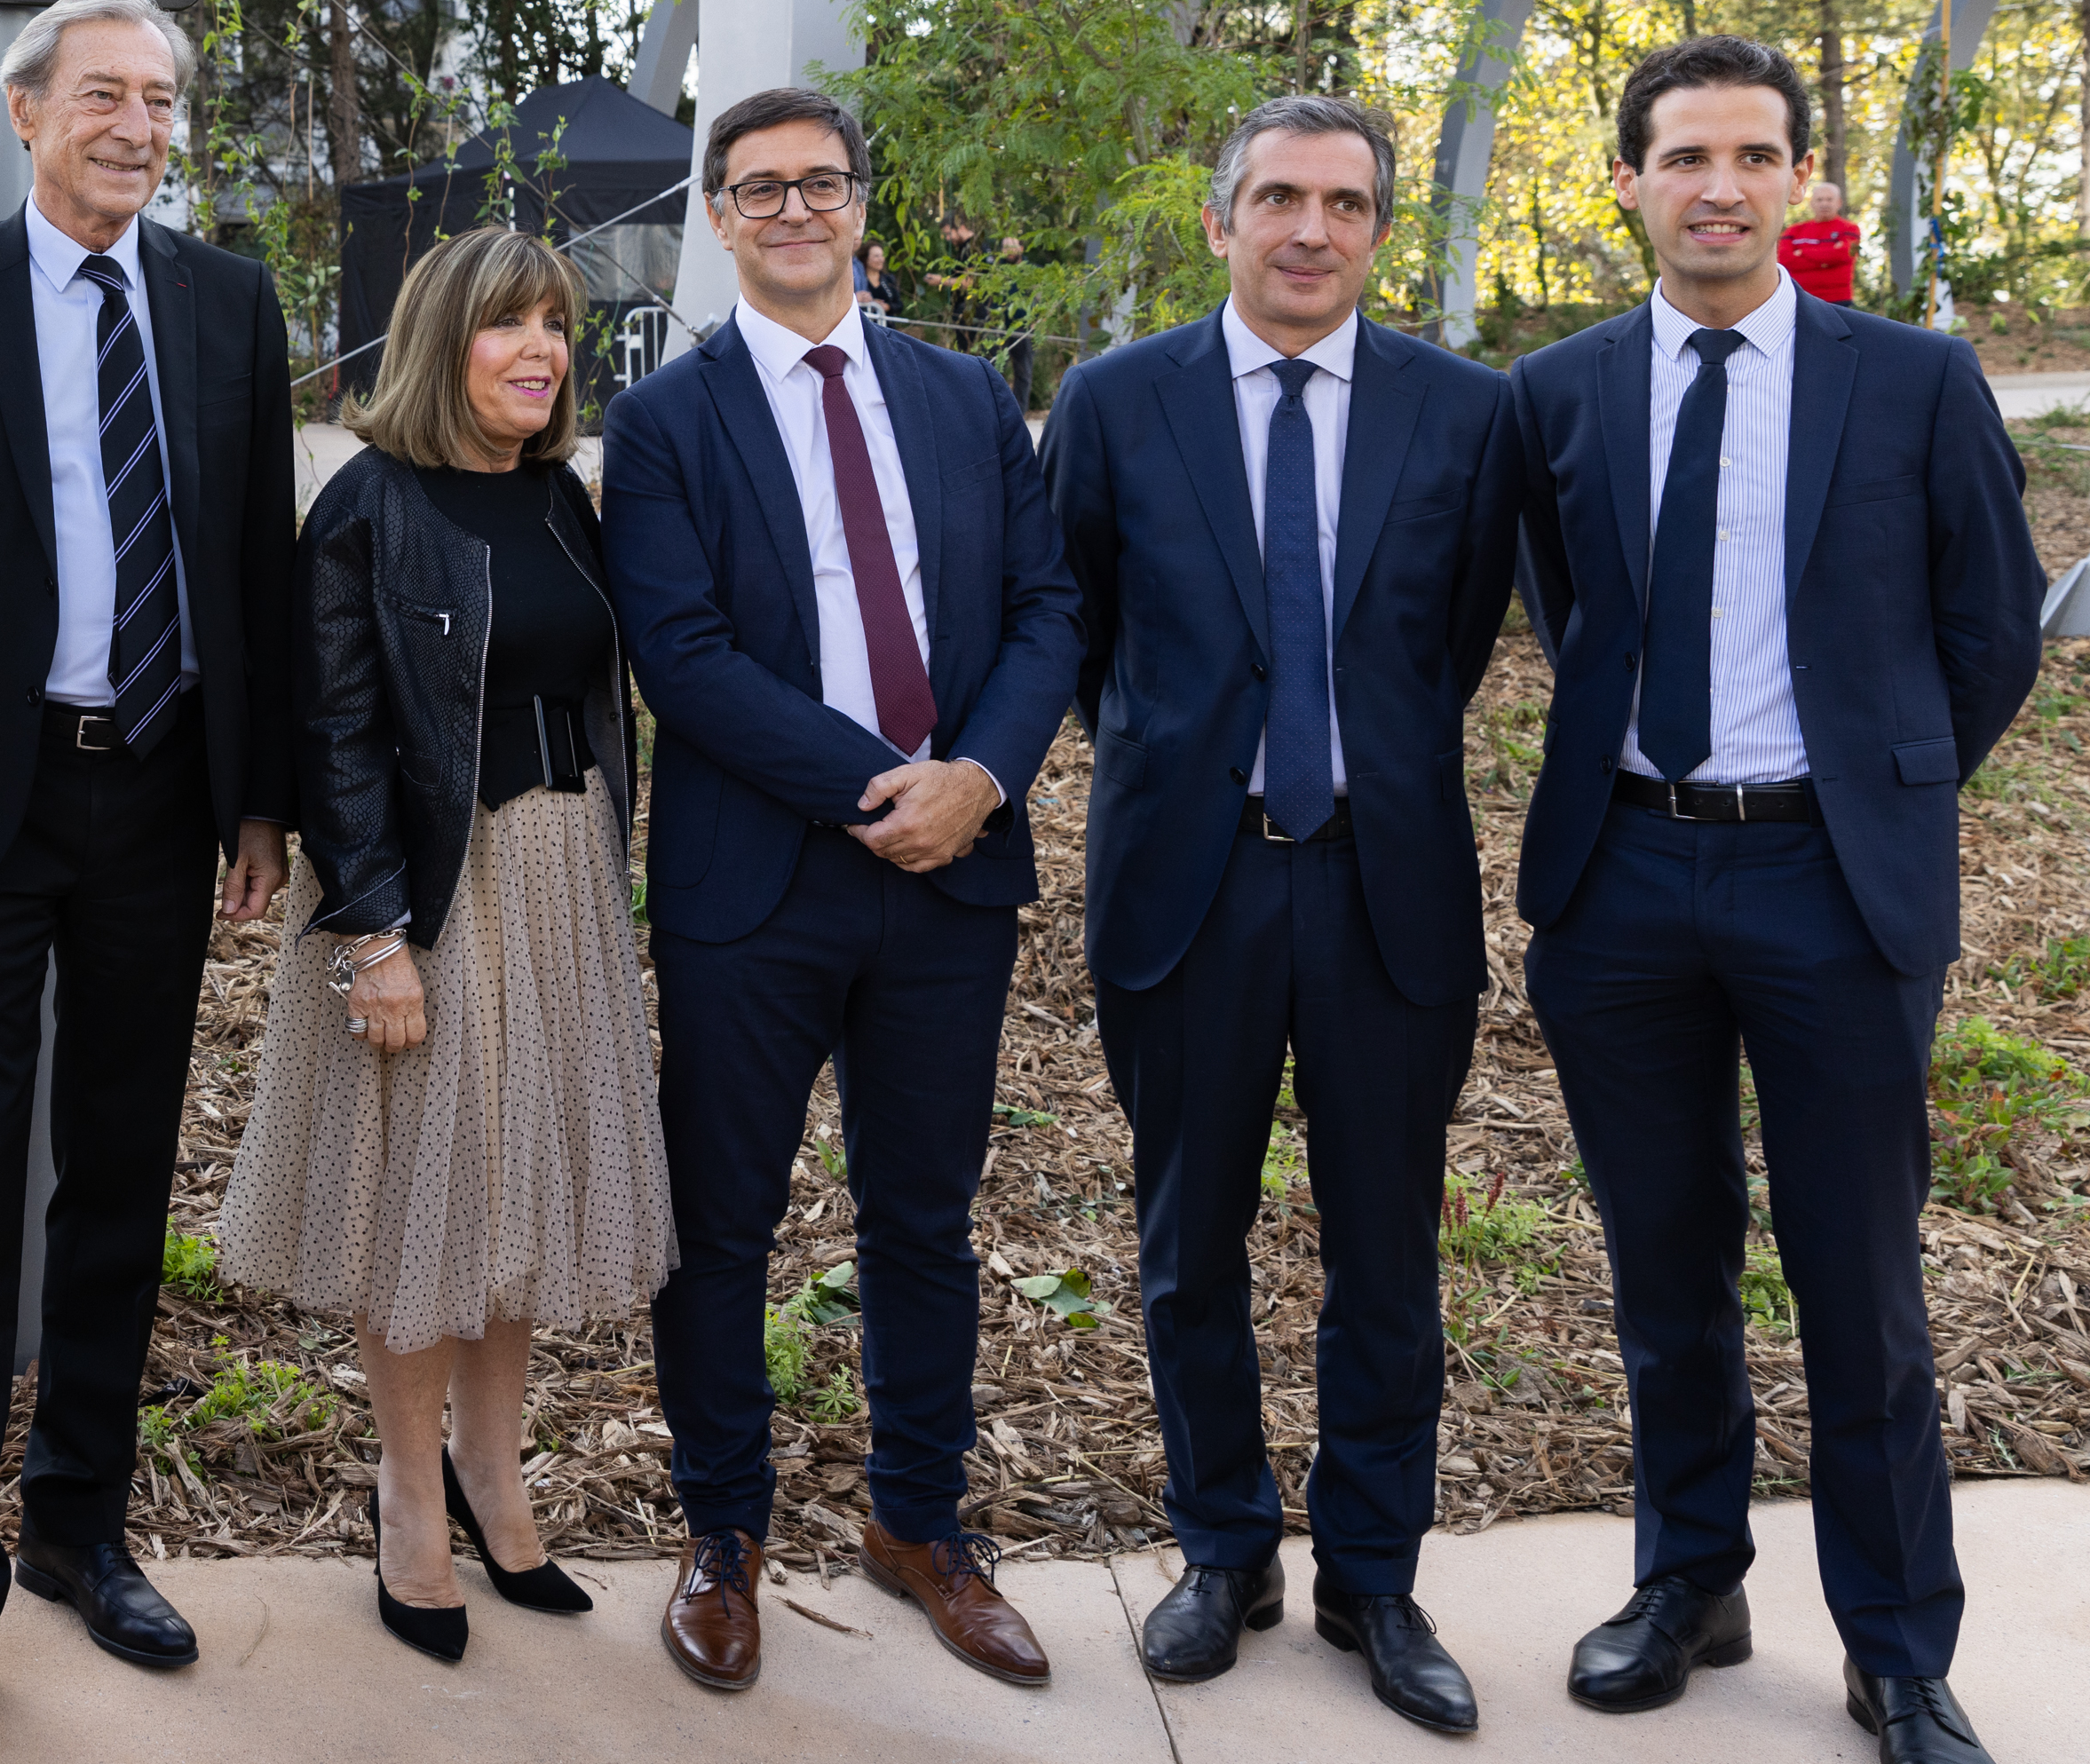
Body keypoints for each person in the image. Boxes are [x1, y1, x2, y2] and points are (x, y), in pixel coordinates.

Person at [1510, 37, 2039, 1764]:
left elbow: (1990, 624)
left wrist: (1882, 786)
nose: (1718, 186)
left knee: (1858, 1283)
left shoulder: (1911, 382)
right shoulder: (1563, 390)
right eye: (1683, 157)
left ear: (1798, 178)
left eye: (1752, 155)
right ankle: (1690, 1582)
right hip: (1625, 877)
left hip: (1832, 876)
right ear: (1629, 184)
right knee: (1665, 1266)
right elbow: (1558, 605)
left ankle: (1893, 1647)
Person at [0, 0, 299, 1764]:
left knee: (119, 1168)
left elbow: (249, 568)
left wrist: (261, 803)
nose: (136, 123)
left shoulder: (225, 304)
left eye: (161, 97)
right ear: (25, 113)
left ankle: (80, 1528)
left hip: (163, 799)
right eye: (102, 92)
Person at [1039, 94, 1526, 1734]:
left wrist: (1344, 765)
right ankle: (1221, 1543)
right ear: (1215, 218)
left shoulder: (1464, 415)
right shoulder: (1112, 404)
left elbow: (1445, 642)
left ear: (1379, 228)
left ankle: (1372, 1577)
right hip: (1187, 880)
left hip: (1386, 884)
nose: (1307, 229)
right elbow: (1081, 626)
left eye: (1341, 202)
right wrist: (1192, 764)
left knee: (1385, 1250)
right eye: (1275, 198)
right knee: (1188, 1243)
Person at [598, 84, 1080, 1699]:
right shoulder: (666, 419)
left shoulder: (960, 397)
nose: (791, 210)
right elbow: (679, 653)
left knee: (921, 1216)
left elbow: (1041, 607)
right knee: (718, 1224)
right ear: (715, 219)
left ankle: (916, 1522)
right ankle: (720, 1532)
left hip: (951, 874)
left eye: (818, 183)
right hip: (757, 878)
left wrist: (976, 777)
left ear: (859, 207)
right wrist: (874, 784)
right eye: (756, 189)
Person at [224, 224, 672, 1665]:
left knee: (516, 1190)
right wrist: (368, 930)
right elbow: (334, 730)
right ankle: (406, 1494)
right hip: (429, 888)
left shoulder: (561, 499)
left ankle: (494, 1473)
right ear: (439, 341)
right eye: (505, 325)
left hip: (559, 876)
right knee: (424, 1197)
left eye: (553, 323)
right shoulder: (368, 503)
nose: (539, 350)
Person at [1777, 174, 1862, 307]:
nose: (1824, 204)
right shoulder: (1793, 232)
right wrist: (1826, 257)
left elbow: (1844, 254)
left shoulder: (1850, 229)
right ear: (1812, 203)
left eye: (1829, 199)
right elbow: (1784, 260)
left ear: (1839, 202)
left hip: (1838, 300)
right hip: (1799, 299)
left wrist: (1802, 252)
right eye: (1820, 199)